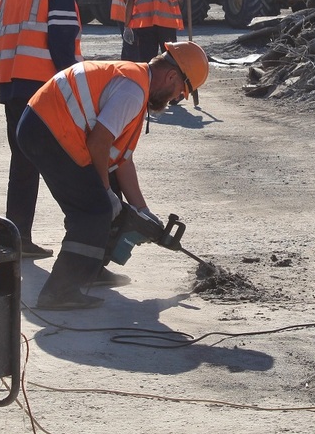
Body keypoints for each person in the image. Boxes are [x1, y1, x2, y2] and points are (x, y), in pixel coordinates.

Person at [18, 41, 210, 310]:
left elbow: (122, 160)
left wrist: (142, 211)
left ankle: (90, 269)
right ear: (171, 76)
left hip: (46, 125)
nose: (176, 97)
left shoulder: (136, 84)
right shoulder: (133, 91)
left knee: (108, 203)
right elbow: (99, 142)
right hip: (48, 129)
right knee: (94, 210)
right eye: (180, 90)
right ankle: (59, 291)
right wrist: (105, 194)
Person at [0, 0, 82, 259]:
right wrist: (75, 90)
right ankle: (84, 239)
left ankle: (17, 239)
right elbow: (61, 42)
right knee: (66, 162)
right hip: (45, 88)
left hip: (12, 87)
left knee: (23, 164)